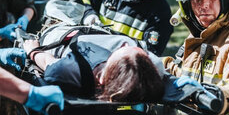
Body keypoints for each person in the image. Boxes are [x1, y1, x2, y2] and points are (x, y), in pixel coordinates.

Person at [23, 30, 164, 102]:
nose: (126, 44)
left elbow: (48, 61)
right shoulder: (151, 73)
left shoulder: (71, 70)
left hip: (61, 37)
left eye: (124, 50)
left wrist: (32, 51)